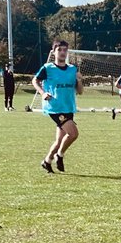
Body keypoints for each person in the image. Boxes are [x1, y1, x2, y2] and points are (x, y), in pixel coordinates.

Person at [31, 40, 82, 174]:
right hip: (54, 107)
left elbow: (80, 91)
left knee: (60, 141)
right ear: (54, 52)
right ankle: (59, 155)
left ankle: (47, 161)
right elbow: (34, 80)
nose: (63, 52)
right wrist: (42, 93)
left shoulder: (72, 69)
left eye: (65, 50)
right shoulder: (47, 68)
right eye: (60, 50)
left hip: (68, 107)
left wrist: (80, 80)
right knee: (74, 134)